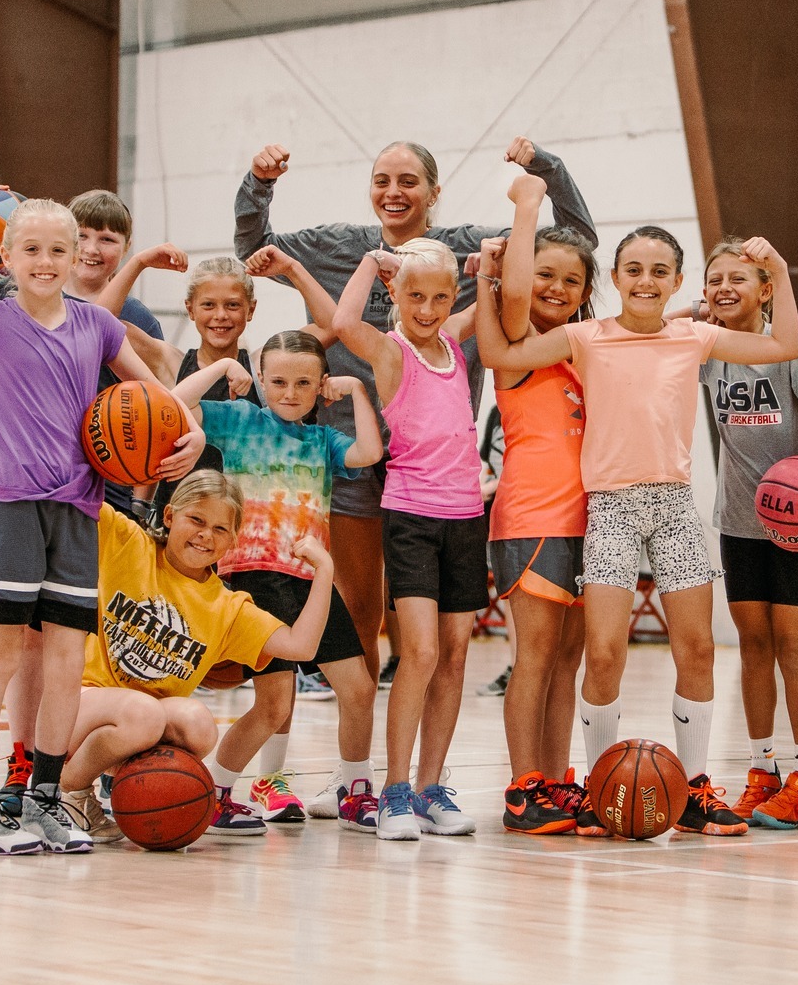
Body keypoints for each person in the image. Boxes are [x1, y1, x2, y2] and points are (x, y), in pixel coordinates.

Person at [0, 201, 203, 857]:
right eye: (32, 250)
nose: (45, 262)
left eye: (57, 250)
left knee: (64, 660)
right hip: (11, 507)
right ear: (8, 258)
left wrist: (190, 433)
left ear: (74, 256)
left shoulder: (98, 324)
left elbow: (159, 395)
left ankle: (45, 797)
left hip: (79, 509)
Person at [235, 137, 596, 683]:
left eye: (408, 182)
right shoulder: (339, 247)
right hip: (355, 454)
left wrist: (545, 168)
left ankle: (414, 725)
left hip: (435, 469)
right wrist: (259, 183)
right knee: (361, 607)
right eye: (382, 180)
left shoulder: (468, 247)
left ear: (433, 192)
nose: (394, 192)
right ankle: (360, 728)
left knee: (429, 636)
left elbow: (574, 240)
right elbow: (253, 247)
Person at [481, 227, 798, 837]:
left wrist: (780, 272)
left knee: (698, 648)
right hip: (610, 508)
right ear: (615, 278)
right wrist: (486, 278)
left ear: (677, 281)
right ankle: (600, 787)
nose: (646, 281)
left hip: (675, 505)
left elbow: (785, 343)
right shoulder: (585, 337)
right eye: (633, 269)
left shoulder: (695, 337)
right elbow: (499, 354)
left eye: (659, 271)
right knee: (603, 653)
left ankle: (695, 788)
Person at [174, 323, 386, 835]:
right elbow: (174, 403)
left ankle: (355, 789)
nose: (290, 393)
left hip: (310, 583)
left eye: (304, 383)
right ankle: (215, 792)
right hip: (254, 581)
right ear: (262, 380)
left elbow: (370, 453)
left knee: (359, 688)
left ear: (321, 386)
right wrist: (224, 366)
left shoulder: (323, 439)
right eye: (279, 382)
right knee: (273, 705)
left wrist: (358, 390)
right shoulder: (239, 420)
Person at [58, 471, 338, 843]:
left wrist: (324, 569)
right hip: (77, 706)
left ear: (234, 539)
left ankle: (133, 794)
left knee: (198, 724)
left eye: (220, 529)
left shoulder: (228, 608)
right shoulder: (128, 542)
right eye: (196, 520)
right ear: (169, 516)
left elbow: (301, 646)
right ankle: (68, 791)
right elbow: (77, 494)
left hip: (137, 727)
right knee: (144, 714)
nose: (206, 535)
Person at [333, 236, 490, 841]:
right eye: (415, 296)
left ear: (452, 298)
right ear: (394, 294)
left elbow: (489, 303)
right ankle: (393, 791)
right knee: (420, 654)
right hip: (412, 517)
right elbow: (345, 324)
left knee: (455, 655)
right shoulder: (391, 351)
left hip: (466, 516)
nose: (427, 309)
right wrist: (370, 261)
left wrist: (491, 265)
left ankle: (429, 789)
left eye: (440, 298)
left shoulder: (453, 340)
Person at [695, 239, 798, 829]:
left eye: (738, 278)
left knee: (794, 644)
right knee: (753, 646)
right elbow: (657, 324)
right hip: (739, 521)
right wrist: (698, 308)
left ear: (766, 291)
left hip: (797, 522)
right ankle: (761, 769)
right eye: (715, 279)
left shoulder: (791, 347)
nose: (724, 288)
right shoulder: (707, 347)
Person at [471, 179, 598, 834]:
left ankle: (555, 779)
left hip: (590, 524)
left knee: (567, 663)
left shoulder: (583, 349)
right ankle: (523, 788)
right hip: (532, 520)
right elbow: (516, 295)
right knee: (537, 659)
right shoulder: (518, 346)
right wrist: (527, 210)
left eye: (571, 280)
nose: (555, 288)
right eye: (545, 273)